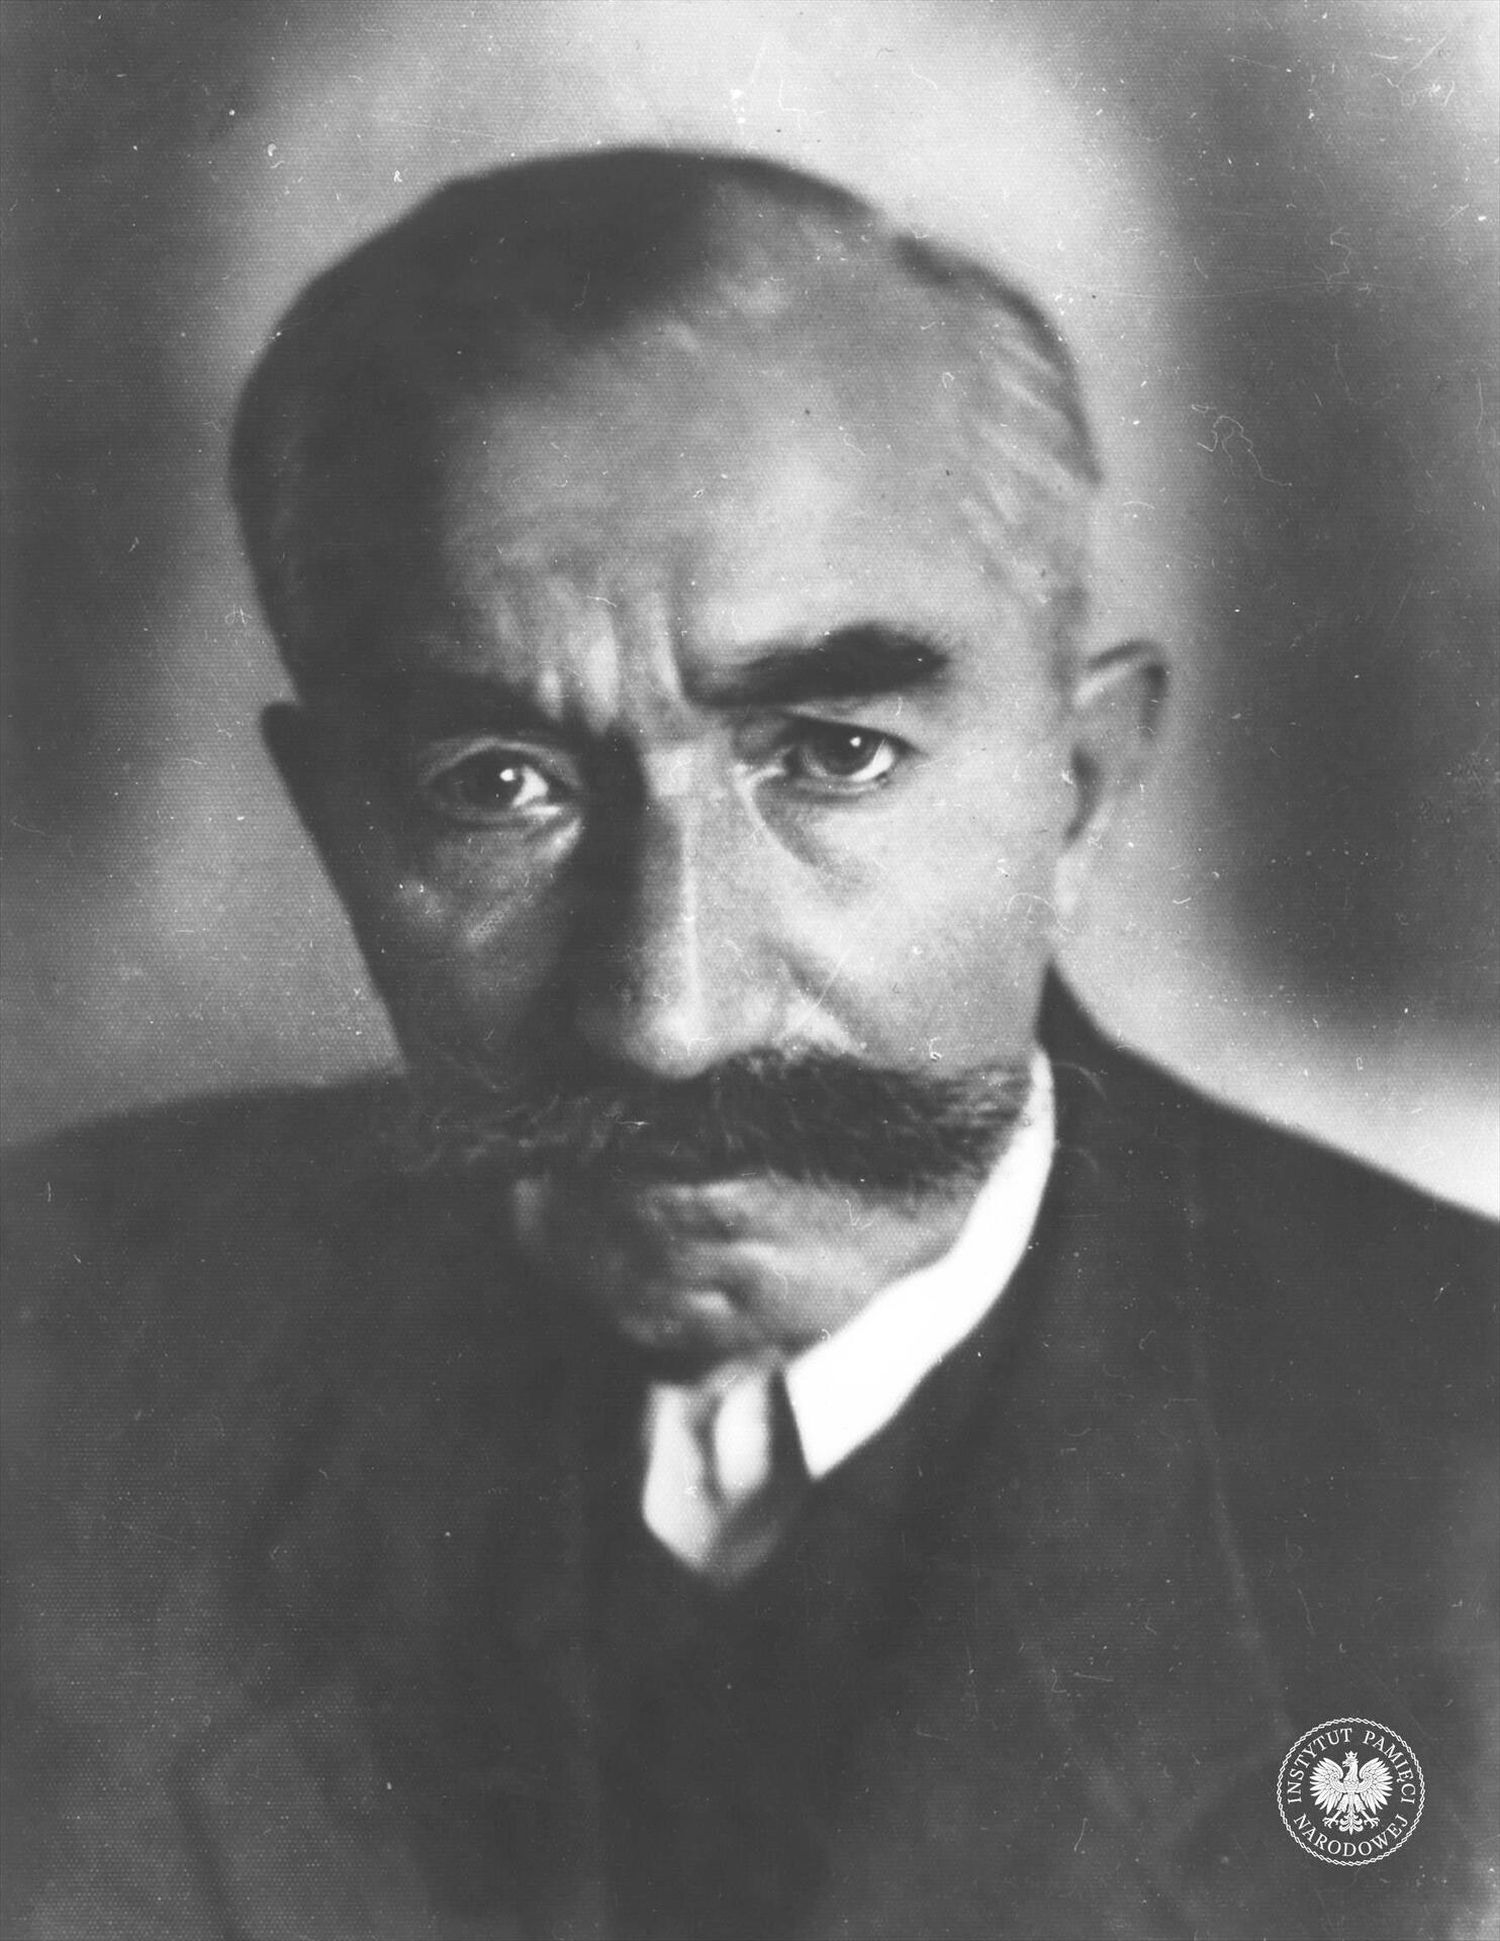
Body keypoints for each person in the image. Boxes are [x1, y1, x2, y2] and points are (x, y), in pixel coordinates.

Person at [2, 147, 1494, 1941]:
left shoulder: (1454, 1451)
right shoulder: (56, 1357)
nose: (669, 1019)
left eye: (831, 754)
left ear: (1082, 790)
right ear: (339, 827)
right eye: (499, 785)